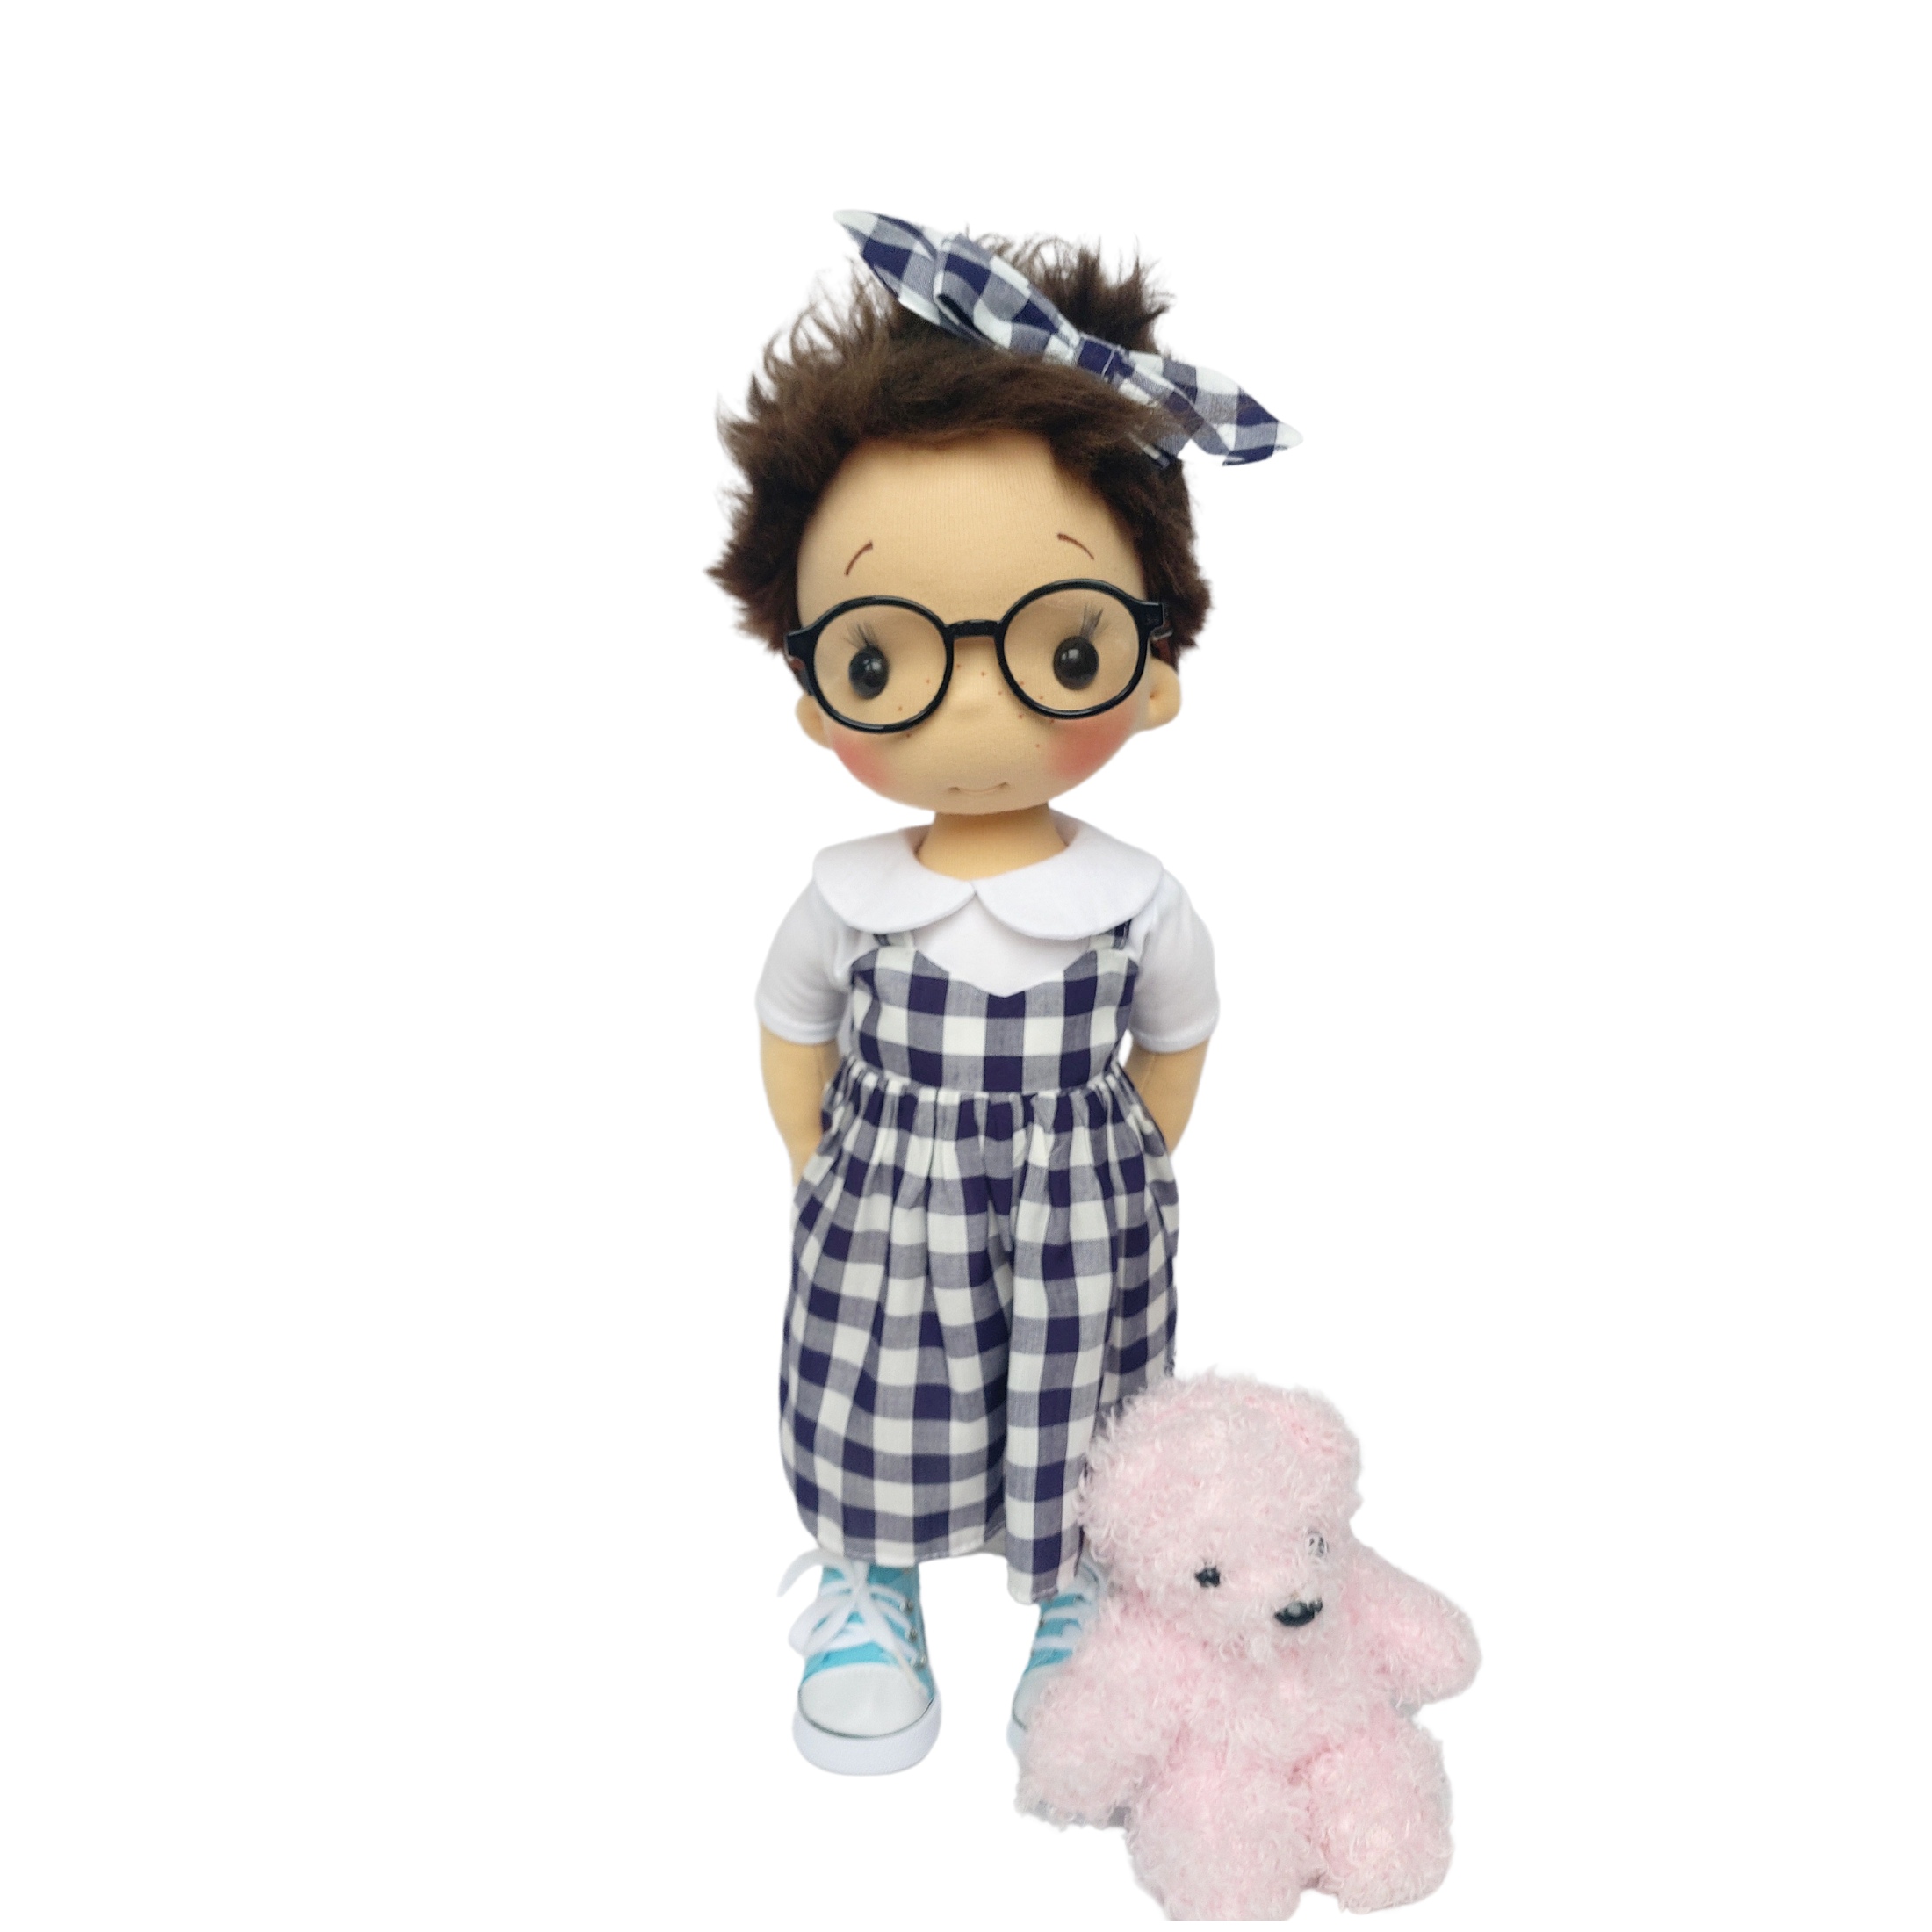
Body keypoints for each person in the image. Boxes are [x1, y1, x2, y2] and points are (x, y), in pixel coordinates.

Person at [710, 214, 1295, 1774]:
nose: (974, 706)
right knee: (872, 1375)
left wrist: (1131, 1165)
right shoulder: (849, 892)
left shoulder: (1135, 897)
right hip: (879, 1199)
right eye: (883, 659)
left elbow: (1178, 1034)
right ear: (813, 687)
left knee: (1087, 1396)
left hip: (1084, 1212)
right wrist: (815, 1157)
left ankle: (1082, 1593)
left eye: (1062, 646)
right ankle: (869, 1580)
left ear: (1152, 669)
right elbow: (791, 1022)